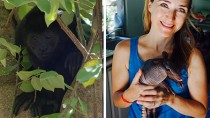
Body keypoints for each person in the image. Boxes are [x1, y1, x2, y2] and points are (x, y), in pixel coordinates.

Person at [111, 0, 208, 117]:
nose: (171, 17)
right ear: (150, 5)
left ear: (186, 15)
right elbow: (117, 100)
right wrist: (129, 95)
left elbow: (201, 112)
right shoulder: (124, 50)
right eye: (164, 5)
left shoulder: (193, 56)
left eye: (181, 9)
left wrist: (169, 99)